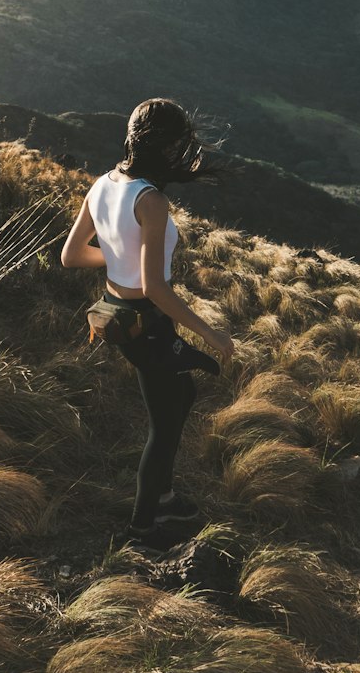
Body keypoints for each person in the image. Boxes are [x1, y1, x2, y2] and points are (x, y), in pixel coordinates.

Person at [60, 97, 235, 551]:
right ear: (166, 145)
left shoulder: (102, 184)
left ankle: (165, 495)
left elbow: (71, 255)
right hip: (148, 321)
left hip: (118, 313)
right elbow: (157, 289)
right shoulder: (151, 201)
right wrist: (212, 335)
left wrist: (121, 259)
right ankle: (142, 528)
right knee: (164, 426)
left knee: (182, 394)